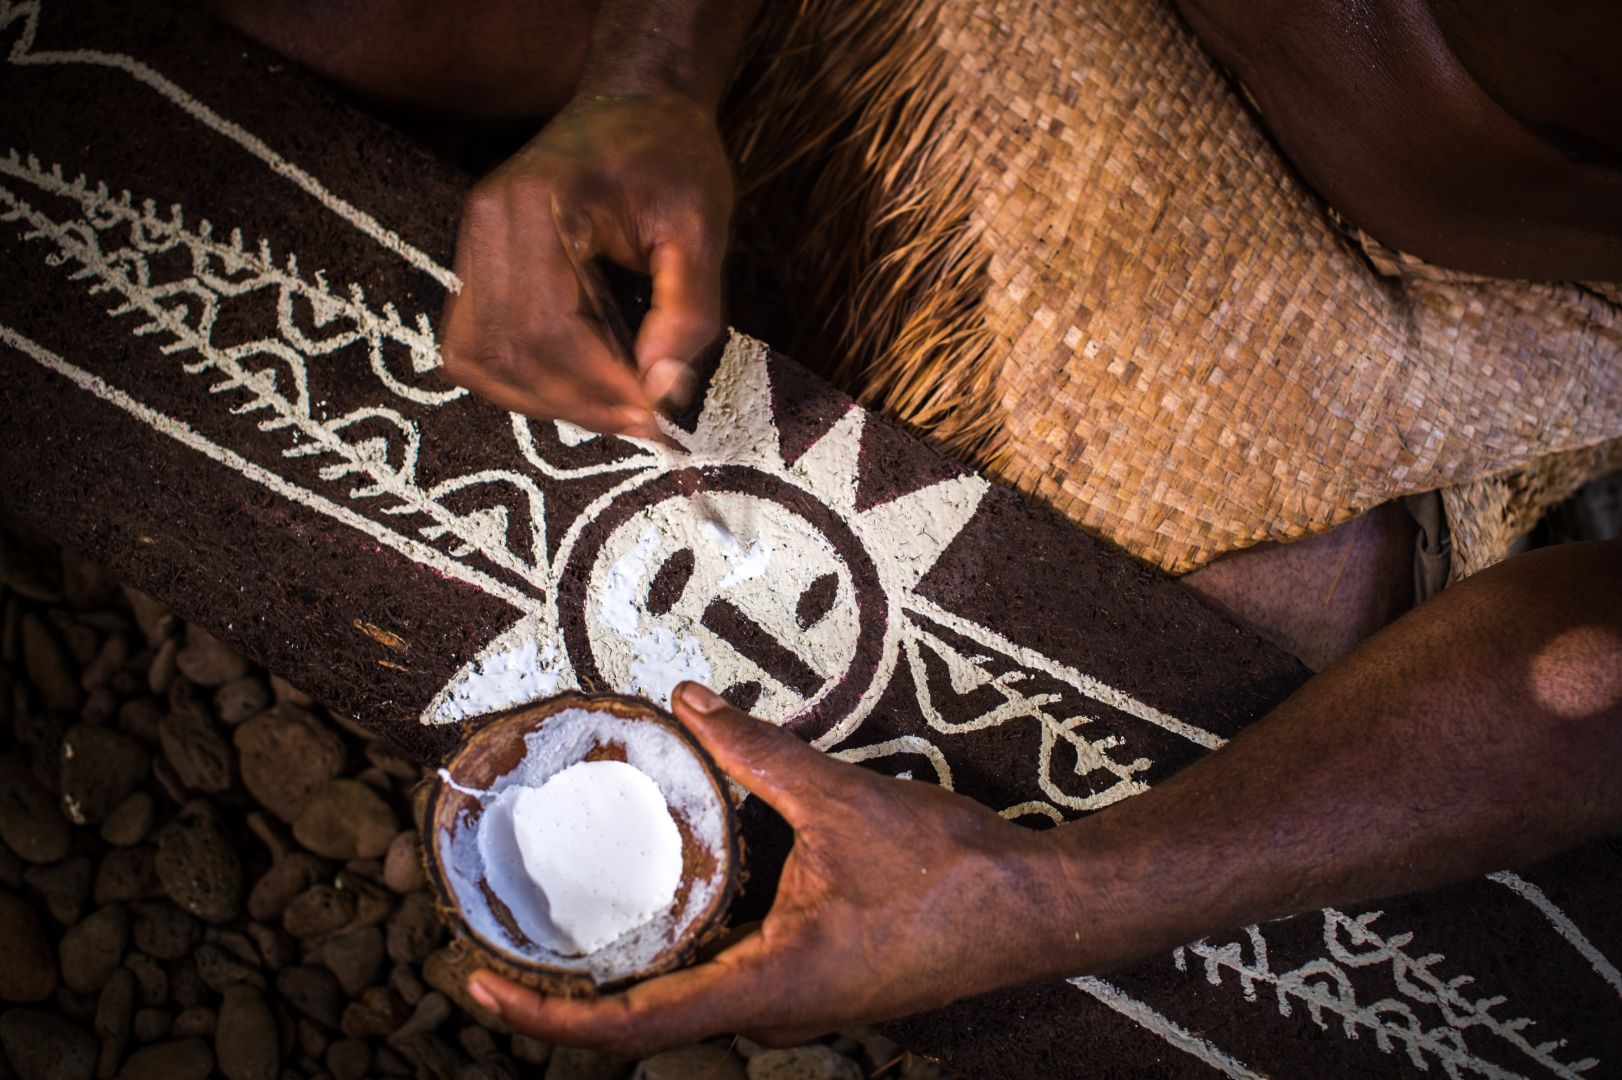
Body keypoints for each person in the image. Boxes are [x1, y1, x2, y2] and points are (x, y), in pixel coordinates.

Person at [208, 0, 1622, 1056]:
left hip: (1385, 287)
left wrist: (1045, 895)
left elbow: (1591, 676)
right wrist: (648, 79)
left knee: (1161, 677)